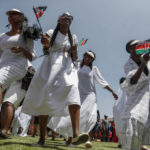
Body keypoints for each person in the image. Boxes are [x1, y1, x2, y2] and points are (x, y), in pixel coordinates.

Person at [22, 12, 88, 146]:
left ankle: (76, 135)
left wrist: (74, 51)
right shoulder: (52, 32)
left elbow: (74, 58)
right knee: (45, 98)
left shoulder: (73, 37)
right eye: (64, 17)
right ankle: (41, 139)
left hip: (68, 68)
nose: (67, 18)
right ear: (58, 20)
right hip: (51, 66)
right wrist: (46, 44)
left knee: (74, 93)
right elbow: (46, 51)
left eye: (70, 17)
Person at [47, 50, 118, 148]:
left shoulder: (94, 69)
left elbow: (102, 82)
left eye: (90, 57)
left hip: (90, 95)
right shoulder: (76, 65)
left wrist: (112, 91)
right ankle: (71, 138)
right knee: (71, 116)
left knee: (87, 116)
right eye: (86, 56)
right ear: (84, 56)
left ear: (93, 59)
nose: (88, 58)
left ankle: (86, 139)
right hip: (77, 94)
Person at [0, 8, 36, 137]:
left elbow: (32, 56)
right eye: (9, 14)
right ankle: (4, 131)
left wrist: (22, 49)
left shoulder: (26, 35)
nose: (10, 15)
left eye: (14, 14)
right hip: (4, 67)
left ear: (21, 17)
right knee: (8, 102)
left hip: (20, 67)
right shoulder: (2, 36)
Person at [120, 40, 150, 150]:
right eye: (135, 46)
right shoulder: (128, 64)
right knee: (133, 118)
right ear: (130, 50)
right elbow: (133, 81)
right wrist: (144, 64)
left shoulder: (146, 56)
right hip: (137, 96)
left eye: (140, 45)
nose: (139, 47)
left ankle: (141, 144)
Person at [0, 65, 35, 138]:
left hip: (22, 82)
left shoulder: (25, 63)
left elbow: (31, 71)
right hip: (10, 81)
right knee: (4, 105)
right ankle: (3, 130)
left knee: (8, 103)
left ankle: (5, 130)